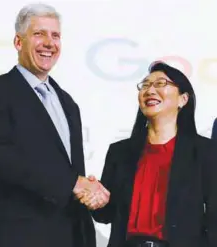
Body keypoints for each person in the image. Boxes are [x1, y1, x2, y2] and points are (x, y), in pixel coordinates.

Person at [0, 3, 109, 247]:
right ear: (18, 42)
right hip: (15, 238)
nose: (49, 43)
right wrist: (75, 183)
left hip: (69, 237)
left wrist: (89, 191)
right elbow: (4, 161)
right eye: (39, 34)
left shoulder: (67, 103)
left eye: (55, 35)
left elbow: (70, 170)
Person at [80, 61, 217, 247]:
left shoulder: (205, 152)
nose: (150, 90)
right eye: (145, 85)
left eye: (160, 83)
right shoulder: (120, 152)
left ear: (183, 99)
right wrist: (97, 199)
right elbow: (106, 216)